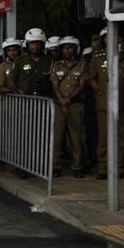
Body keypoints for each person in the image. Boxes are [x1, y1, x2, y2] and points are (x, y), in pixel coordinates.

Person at [88, 32, 124, 179]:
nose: (116, 43)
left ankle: (119, 168)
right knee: (103, 138)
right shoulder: (98, 58)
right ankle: (103, 168)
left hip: (123, 105)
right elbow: (92, 78)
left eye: (119, 41)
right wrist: (101, 92)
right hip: (103, 106)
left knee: (122, 138)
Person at [49, 36, 89, 178]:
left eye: (70, 47)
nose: (67, 50)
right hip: (59, 106)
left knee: (76, 137)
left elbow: (82, 85)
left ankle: (77, 166)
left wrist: (68, 99)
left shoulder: (82, 65)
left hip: (75, 105)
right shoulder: (56, 65)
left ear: (76, 49)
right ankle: (55, 166)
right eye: (64, 47)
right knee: (57, 137)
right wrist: (61, 100)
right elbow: (54, 84)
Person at [7, 28, 53, 96]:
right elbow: (11, 81)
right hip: (24, 101)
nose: (35, 46)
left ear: (43, 44)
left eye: (38, 43)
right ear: (27, 44)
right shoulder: (19, 61)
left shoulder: (50, 60)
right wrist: (18, 91)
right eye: (32, 43)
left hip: (45, 101)